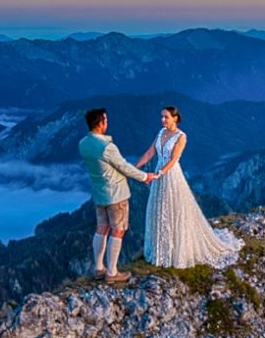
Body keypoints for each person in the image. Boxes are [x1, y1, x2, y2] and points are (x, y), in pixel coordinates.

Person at [137, 105, 243, 268]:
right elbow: (150, 152)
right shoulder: (160, 133)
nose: (162, 120)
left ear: (175, 118)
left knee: (173, 209)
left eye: (166, 117)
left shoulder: (181, 137)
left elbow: (173, 159)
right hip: (160, 173)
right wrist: (135, 167)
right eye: (162, 116)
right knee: (159, 209)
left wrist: (160, 173)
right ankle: (162, 250)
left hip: (171, 175)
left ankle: (175, 251)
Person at [79, 107, 158, 284]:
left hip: (99, 193)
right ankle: (112, 272)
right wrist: (145, 176)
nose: (107, 123)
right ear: (100, 124)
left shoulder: (83, 143)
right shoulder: (107, 147)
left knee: (101, 229)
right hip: (116, 194)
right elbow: (123, 166)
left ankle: (99, 268)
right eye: (105, 120)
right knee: (118, 230)